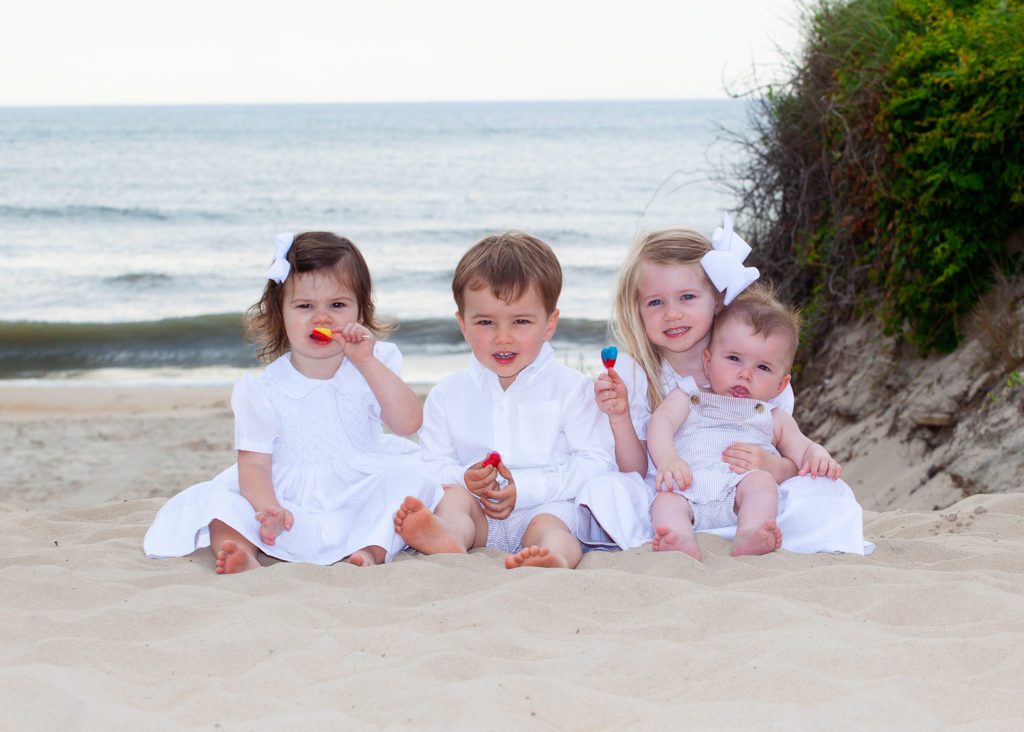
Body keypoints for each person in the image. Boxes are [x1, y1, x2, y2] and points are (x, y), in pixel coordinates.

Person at [144, 232, 443, 572]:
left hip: (360, 486)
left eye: (337, 305)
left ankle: (368, 551)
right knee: (218, 504)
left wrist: (367, 362)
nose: (322, 318)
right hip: (288, 499)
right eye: (305, 306)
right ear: (280, 314)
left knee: (409, 484)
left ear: (361, 311)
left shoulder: (374, 364)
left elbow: (408, 424)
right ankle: (243, 551)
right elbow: (254, 465)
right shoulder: (264, 390)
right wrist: (269, 509)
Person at [576, 214, 870, 555]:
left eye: (687, 297)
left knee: (828, 492)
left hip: (746, 493)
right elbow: (635, 469)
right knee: (606, 489)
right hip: (676, 489)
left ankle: (752, 533)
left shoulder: (758, 369)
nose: (672, 313)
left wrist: (774, 466)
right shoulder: (638, 375)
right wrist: (620, 417)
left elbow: (793, 452)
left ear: (716, 298)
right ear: (637, 310)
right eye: (656, 302)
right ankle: (677, 538)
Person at [393, 231, 619, 569]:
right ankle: (450, 536)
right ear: (463, 324)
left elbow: (598, 461)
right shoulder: (446, 395)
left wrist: (526, 487)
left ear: (549, 324)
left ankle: (553, 558)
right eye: (485, 322)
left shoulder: (572, 389)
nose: (503, 337)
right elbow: (431, 463)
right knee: (454, 501)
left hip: (546, 505)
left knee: (554, 528)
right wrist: (463, 476)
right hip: (478, 514)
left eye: (521, 321)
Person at [648, 287, 841, 559]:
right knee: (664, 502)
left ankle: (751, 532)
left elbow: (805, 451)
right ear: (708, 361)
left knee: (762, 484)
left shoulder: (773, 416)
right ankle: (679, 538)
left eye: (763, 367)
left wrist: (810, 457)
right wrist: (668, 459)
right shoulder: (689, 395)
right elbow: (660, 422)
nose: (745, 374)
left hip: (739, 492)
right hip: (687, 486)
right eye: (734, 359)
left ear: (781, 384)